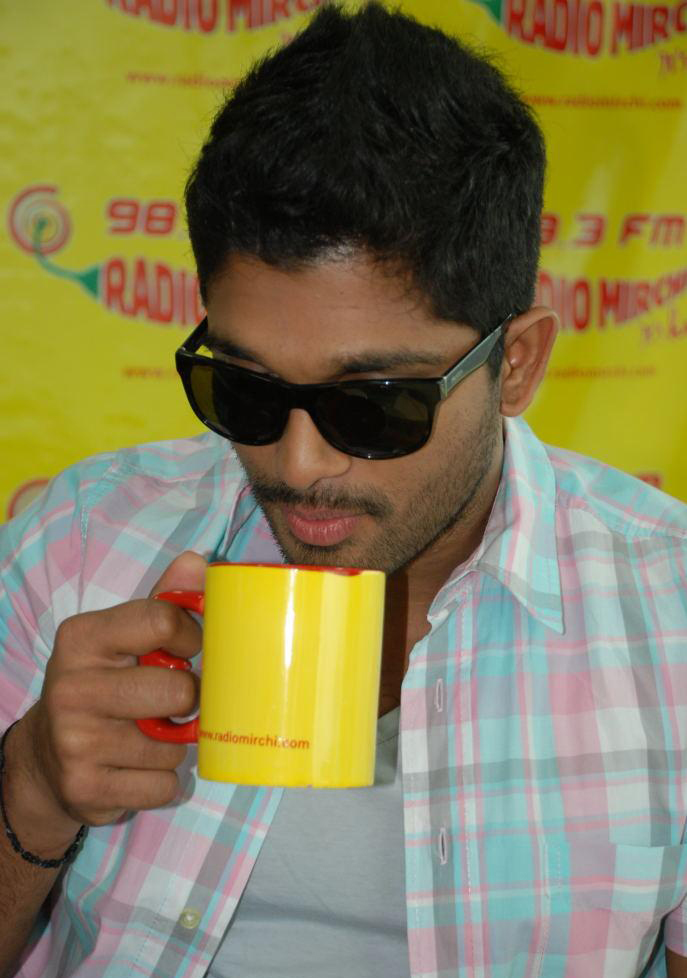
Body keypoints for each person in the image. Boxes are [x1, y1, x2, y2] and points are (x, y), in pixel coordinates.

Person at [1, 3, 687, 976]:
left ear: (517, 365)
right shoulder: (80, 541)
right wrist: (32, 785)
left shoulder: (666, 610)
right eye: (244, 390)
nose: (298, 464)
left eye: (372, 407)